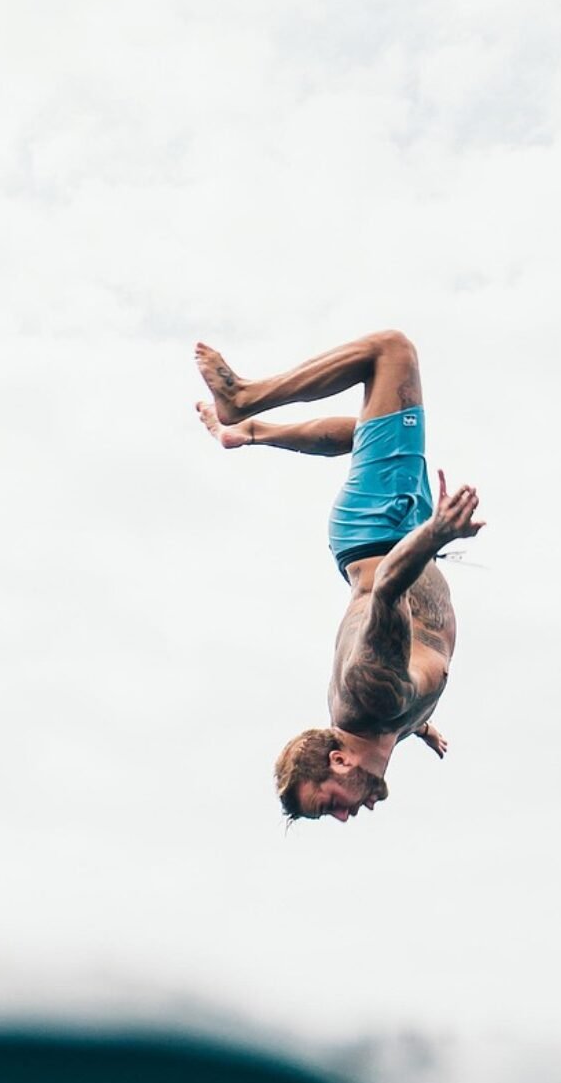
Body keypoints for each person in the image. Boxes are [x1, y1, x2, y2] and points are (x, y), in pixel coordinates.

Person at [194, 329, 483, 822]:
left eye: (329, 803)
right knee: (368, 432)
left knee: (391, 351)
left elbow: (389, 589)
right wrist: (420, 725)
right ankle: (248, 433)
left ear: (339, 761)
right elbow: (395, 673)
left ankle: (242, 400)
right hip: (389, 531)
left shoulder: (373, 700)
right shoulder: (381, 721)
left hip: (386, 526)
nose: (346, 815)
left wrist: (437, 533)